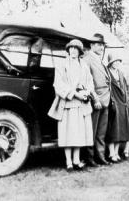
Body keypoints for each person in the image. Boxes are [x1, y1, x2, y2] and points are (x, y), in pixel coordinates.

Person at [48, 39, 94, 171]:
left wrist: (86, 92)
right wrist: (75, 94)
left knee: (78, 133)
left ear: (80, 51)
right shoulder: (62, 64)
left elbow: (90, 82)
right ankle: (68, 162)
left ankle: (77, 160)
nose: (73, 50)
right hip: (68, 103)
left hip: (81, 105)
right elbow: (58, 85)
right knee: (68, 134)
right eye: (71, 48)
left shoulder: (84, 65)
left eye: (76, 48)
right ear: (68, 50)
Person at [82, 33, 111, 166]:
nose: (101, 47)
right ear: (92, 45)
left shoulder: (99, 59)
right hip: (96, 100)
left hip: (105, 99)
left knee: (101, 132)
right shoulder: (87, 59)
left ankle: (100, 156)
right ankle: (90, 158)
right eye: (99, 45)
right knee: (92, 131)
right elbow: (87, 82)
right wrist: (95, 98)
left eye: (102, 45)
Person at [105, 53, 129, 163]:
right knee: (112, 129)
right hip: (112, 103)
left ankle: (116, 152)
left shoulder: (120, 73)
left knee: (120, 129)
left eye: (118, 61)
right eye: (114, 61)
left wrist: (127, 102)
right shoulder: (107, 73)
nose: (116, 63)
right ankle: (111, 153)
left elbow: (125, 88)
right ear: (110, 62)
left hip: (122, 103)